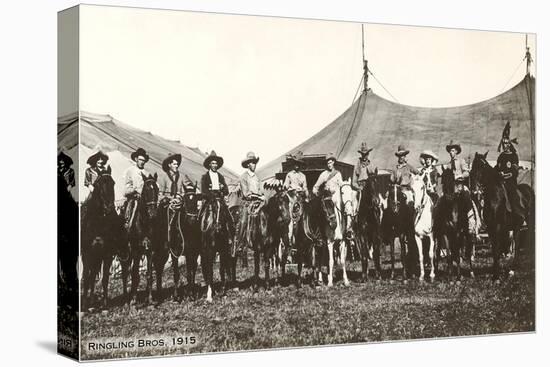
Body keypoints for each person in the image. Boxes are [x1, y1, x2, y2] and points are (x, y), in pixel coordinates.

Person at [200, 151, 235, 241]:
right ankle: (199, 235)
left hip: (219, 198)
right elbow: (204, 190)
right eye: (213, 163)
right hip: (209, 199)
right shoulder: (205, 177)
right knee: (199, 215)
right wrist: (211, 195)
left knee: (229, 216)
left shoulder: (220, 176)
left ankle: (231, 237)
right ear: (209, 164)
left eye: (216, 163)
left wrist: (222, 189)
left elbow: (226, 190)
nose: (215, 165)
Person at [496, 123, 524, 218]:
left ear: (509, 144)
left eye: (506, 143)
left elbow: (514, 171)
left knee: (512, 195)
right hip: (500, 181)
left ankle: (517, 215)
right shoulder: (501, 156)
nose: (505, 145)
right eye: (503, 143)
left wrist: (506, 175)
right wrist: (498, 173)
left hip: (510, 182)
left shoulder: (513, 156)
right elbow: (497, 168)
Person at [237, 152, 265, 248]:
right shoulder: (243, 177)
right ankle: (239, 243)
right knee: (243, 221)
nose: (254, 165)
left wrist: (262, 195)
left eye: (255, 163)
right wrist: (258, 196)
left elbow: (261, 190)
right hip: (248, 203)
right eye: (252, 163)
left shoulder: (257, 177)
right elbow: (246, 194)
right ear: (248, 164)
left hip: (259, 202)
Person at [122, 147, 152, 229]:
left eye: (143, 160)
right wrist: (134, 191)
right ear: (136, 159)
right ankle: (127, 225)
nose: (142, 162)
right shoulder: (130, 171)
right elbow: (126, 188)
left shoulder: (147, 174)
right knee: (131, 209)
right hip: (134, 198)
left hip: (145, 201)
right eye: (140, 160)